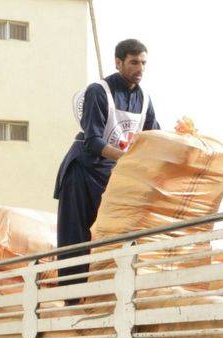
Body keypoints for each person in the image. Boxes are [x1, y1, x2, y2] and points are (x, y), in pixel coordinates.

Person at [53, 39, 159, 286]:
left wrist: (181, 139)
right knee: (76, 240)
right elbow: (93, 142)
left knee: (110, 236)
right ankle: (70, 299)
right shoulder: (99, 91)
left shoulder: (144, 99)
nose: (139, 68)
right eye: (133, 62)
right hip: (83, 170)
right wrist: (128, 159)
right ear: (118, 62)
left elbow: (153, 137)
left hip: (112, 175)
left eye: (143, 63)